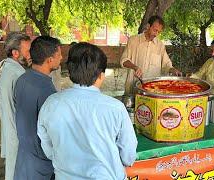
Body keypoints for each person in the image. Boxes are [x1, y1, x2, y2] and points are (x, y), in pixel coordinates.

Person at [37, 42, 138, 179]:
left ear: (70, 71)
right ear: (101, 75)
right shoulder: (115, 108)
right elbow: (128, 155)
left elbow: (48, 148)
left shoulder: (51, 104)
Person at [13, 36, 62, 180]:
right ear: (49, 59)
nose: (61, 58)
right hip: (41, 165)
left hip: (24, 159)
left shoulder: (23, 79)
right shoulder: (45, 88)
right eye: (59, 54)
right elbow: (51, 131)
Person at [0, 32, 31, 180]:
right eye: (27, 50)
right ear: (15, 53)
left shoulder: (5, 69)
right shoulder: (18, 74)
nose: (31, 54)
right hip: (19, 139)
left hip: (11, 135)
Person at [120, 15, 181, 95]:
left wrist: (173, 70)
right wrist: (135, 67)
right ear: (148, 26)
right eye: (155, 30)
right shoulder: (133, 40)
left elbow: (166, 65)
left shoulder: (160, 45)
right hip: (133, 89)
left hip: (153, 91)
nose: (156, 34)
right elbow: (124, 60)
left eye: (159, 32)